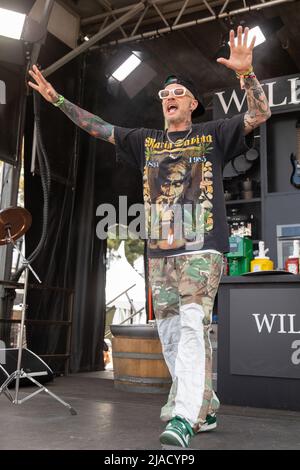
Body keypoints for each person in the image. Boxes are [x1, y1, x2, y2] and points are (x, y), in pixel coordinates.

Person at [28, 26, 271, 448]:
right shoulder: (145, 141)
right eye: (164, 94)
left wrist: (246, 74)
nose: (169, 97)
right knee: (172, 335)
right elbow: (98, 128)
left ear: (192, 103)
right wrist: (57, 99)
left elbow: (260, 115)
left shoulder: (213, 133)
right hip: (159, 253)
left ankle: (183, 416)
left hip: (202, 248)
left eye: (177, 92)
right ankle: (205, 404)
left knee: (194, 326)